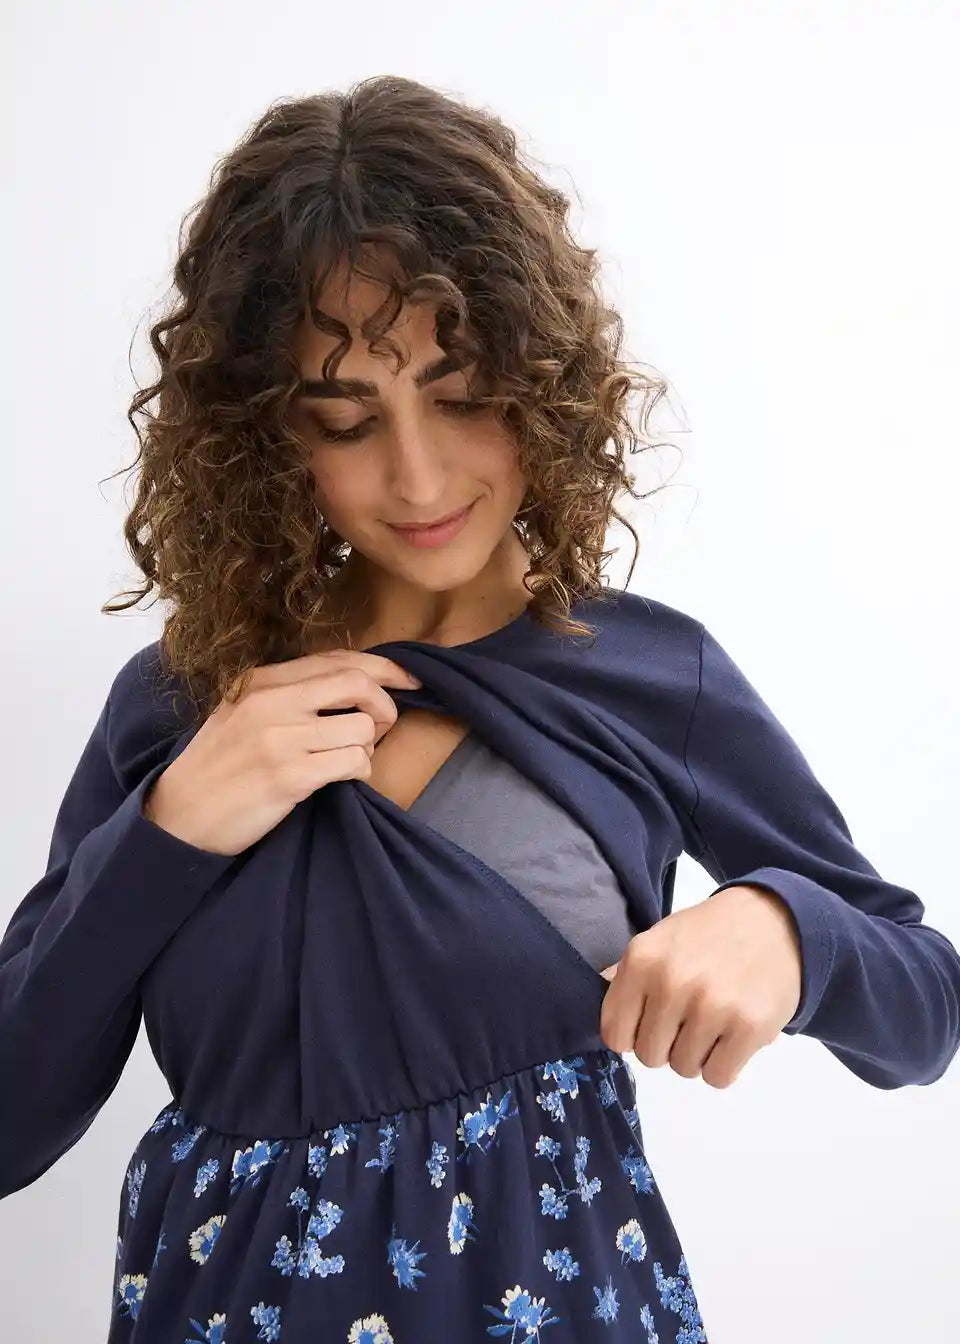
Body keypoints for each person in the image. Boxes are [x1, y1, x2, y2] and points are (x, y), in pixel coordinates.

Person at [2, 76, 958, 1344]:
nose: (418, 477)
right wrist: (168, 828)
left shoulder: (646, 676)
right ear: (266, 435)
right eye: (346, 419)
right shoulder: (181, 707)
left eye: (460, 397)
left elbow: (926, 1008)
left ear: (542, 379)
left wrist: (791, 929)